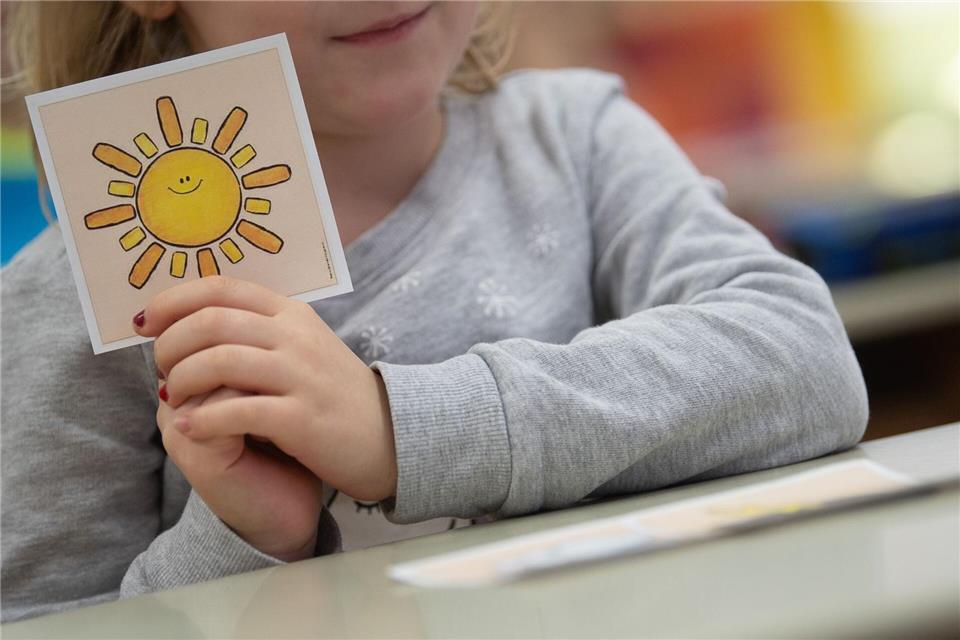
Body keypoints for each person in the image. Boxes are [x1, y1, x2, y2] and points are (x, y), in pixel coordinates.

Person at [1, 1, 868, 623]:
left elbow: (807, 362)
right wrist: (240, 542)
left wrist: (396, 428)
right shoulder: (74, 297)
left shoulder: (577, 139)